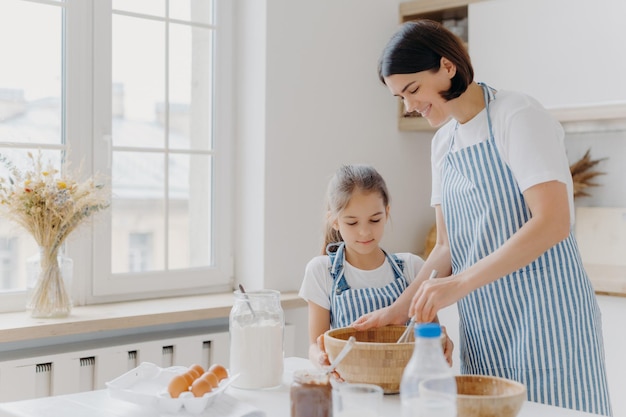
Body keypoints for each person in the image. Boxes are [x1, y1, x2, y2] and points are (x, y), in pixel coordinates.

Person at [352, 19, 612, 416]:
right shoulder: (443, 144)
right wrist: (399, 309)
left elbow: (553, 221)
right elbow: (447, 246)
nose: (409, 106)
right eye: (400, 97)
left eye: (413, 89)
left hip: (548, 323)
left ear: (448, 67)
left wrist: (459, 284)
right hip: (486, 329)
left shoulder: (517, 115)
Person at [298, 164, 427, 369]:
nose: (365, 232)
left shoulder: (412, 268)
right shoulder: (321, 271)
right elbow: (316, 344)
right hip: (349, 388)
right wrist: (320, 358)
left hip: (405, 388)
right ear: (334, 221)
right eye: (352, 223)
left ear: (387, 212)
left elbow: (432, 337)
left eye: (375, 220)